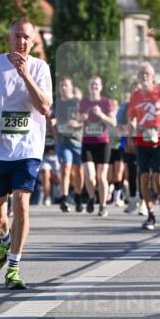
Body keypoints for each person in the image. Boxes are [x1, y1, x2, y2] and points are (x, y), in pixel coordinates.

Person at [0, 19, 52, 290]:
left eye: (27, 37)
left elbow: (45, 108)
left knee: (22, 205)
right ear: (9, 38)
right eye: (17, 36)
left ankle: (14, 267)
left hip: (27, 148)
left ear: (34, 41)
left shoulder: (40, 67)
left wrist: (25, 74)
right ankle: (4, 240)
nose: (21, 42)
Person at [127, 62, 160, 231]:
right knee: (143, 178)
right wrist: (131, 133)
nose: (144, 76)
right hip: (142, 141)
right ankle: (150, 215)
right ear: (137, 77)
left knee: (158, 177)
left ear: (153, 77)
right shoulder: (135, 96)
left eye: (147, 73)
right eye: (141, 73)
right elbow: (131, 118)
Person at [79, 76, 116, 218]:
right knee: (89, 175)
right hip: (87, 142)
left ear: (100, 87)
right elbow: (77, 118)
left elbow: (113, 122)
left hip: (102, 143)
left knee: (101, 176)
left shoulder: (106, 102)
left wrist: (101, 115)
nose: (94, 87)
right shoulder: (83, 102)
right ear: (88, 87)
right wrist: (81, 118)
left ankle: (103, 206)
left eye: (96, 84)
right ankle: (91, 196)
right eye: (91, 84)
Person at [51, 76, 84, 212]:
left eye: (66, 85)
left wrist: (78, 124)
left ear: (71, 87)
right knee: (65, 168)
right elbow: (52, 118)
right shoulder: (57, 104)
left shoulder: (78, 102)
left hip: (77, 140)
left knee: (79, 172)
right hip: (62, 141)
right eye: (61, 86)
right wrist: (52, 125)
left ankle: (78, 196)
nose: (63, 88)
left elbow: (86, 120)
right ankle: (64, 198)